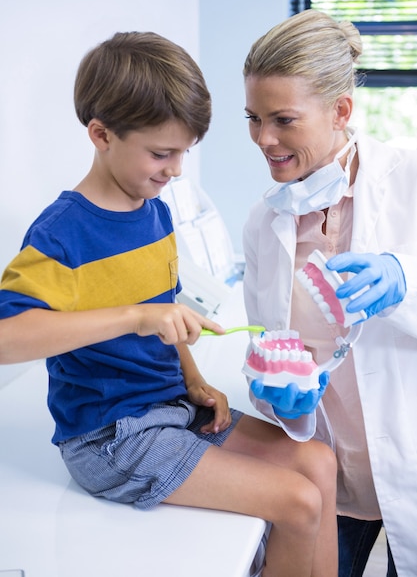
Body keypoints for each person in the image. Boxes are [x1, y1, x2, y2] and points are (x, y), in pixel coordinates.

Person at [0, 30, 338, 577]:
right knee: (296, 503)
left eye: (183, 152)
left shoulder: (153, 210)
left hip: (172, 410)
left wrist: (194, 379)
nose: (176, 169)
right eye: (162, 153)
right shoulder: (62, 234)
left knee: (318, 463)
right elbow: (7, 337)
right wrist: (136, 316)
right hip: (111, 436)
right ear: (101, 134)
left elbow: (164, 307)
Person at [242, 8, 417, 577]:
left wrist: (404, 278)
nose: (264, 139)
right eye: (254, 118)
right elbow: (271, 354)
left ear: (341, 110)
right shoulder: (263, 226)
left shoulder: (408, 181)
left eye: (283, 120)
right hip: (332, 480)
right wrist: (280, 400)